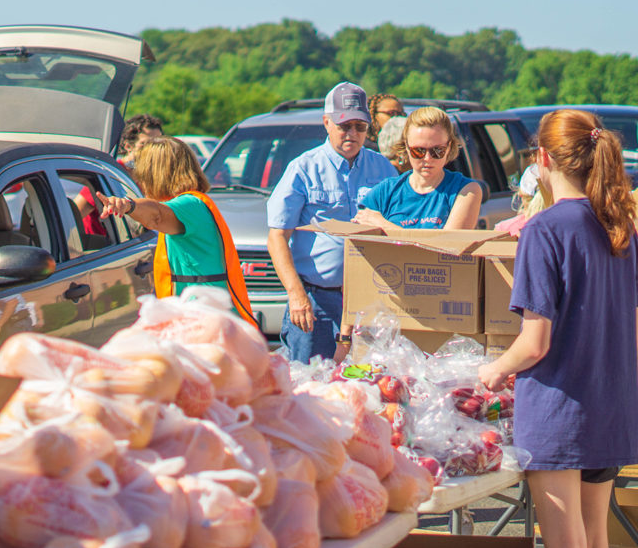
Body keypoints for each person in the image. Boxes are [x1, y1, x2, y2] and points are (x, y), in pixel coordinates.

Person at [478, 109, 638, 548]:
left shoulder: (545, 229)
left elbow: (534, 343)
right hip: (610, 404)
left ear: (542, 159)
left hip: (559, 410)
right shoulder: (621, 225)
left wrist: (493, 371)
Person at [266, 82, 397, 363]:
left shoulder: (384, 169)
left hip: (370, 304)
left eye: (359, 127)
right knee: (310, 389)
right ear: (327, 122)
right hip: (316, 302)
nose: (352, 133)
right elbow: (277, 236)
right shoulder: (303, 168)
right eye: (344, 125)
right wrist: (296, 294)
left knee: (368, 392)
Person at [94, 135, 256, 325]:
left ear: (154, 173)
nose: (138, 179)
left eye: (140, 172)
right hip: (205, 317)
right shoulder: (191, 204)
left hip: (205, 321)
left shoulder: (189, 204)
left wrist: (128, 205)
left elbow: (156, 215)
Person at [354, 107, 483, 230]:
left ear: (449, 147)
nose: (427, 158)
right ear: (406, 147)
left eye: (437, 151)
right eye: (418, 151)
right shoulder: (386, 191)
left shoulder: (466, 191)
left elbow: (447, 248)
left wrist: (385, 226)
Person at [73, 113, 164, 237]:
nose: (152, 150)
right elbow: (73, 218)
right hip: (101, 251)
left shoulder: (145, 177)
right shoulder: (109, 174)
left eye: (157, 144)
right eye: (145, 144)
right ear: (128, 146)